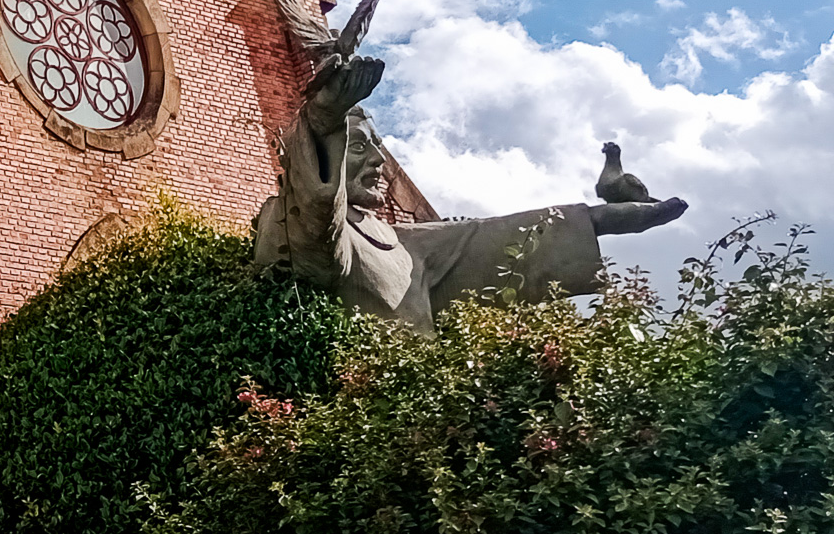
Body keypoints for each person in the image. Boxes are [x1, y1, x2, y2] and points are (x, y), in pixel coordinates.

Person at [253, 53, 688, 331]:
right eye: (359, 146)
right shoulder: (298, 224)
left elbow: (492, 238)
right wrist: (323, 116)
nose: (379, 163)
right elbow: (313, 221)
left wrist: (593, 220)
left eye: (378, 148)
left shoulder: (404, 242)